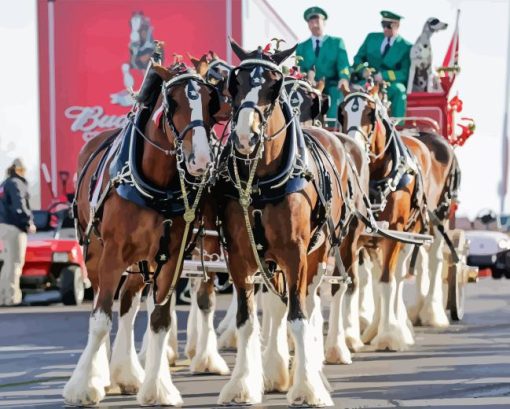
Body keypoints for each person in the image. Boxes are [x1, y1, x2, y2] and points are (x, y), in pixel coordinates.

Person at [296, 6, 350, 126]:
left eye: (317, 21)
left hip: (332, 84)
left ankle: (333, 128)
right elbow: (299, 68)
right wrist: (306, 78)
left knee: (335, 94)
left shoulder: (336, 42)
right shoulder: (301, 47)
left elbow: (344, 65)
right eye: (311, 22)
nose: (314, 25)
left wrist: (344, 78)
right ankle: (304, 128)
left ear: (324, 22)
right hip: (310, 86)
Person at [352, 10, 412, 118]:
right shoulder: (371, 38)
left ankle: (398, 126)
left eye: (388, 26)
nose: (385, 29)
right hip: (368, 82)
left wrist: (384, 75)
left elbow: (404, 73)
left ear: (397, 25)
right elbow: (357, 59)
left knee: (400, 90)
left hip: (389, 85)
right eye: (383, 25)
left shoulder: (406, 47)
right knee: (352, 92)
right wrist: (363, 71)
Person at [0, 158, 35, 306]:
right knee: (15, 263)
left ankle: (3, 297)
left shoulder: (4, 184)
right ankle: (13, 298)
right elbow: (19, 206)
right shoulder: (17, 183)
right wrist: (28, 222)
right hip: (14, 228)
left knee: (7, 263)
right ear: (21, 170)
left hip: (3, 227)